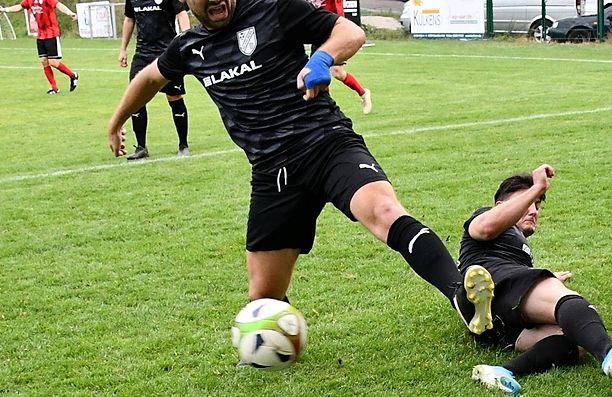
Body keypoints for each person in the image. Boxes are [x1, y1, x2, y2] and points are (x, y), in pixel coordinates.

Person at [107, 0, 470, 341]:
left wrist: (322, 59)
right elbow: (149, 79)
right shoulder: (188, 47)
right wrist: (117, 121)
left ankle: (463, 297)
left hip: (326, 145)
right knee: (263, 299)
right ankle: (272, 347)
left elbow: (350, 32)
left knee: (384, 211)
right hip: (273, 174)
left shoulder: (273, 8)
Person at [456, 164, 612, 396]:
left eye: (537, 205)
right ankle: (609, 351)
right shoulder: (484, 215)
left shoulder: (517, 246)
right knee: (569, 300)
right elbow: (484, 228)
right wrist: (537, 187)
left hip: (501, 326)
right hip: (490, 281)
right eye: (526, 201)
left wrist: (545, 278)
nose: (533, 210)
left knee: (578, 340)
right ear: (501, 205)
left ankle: (501, 370)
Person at [118, 0, 192, 159]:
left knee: (174, 97)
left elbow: (181, 13)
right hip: (142, 54)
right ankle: (141, 147)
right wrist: (123, 49)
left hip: (167, 53)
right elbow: (129, 19)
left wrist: (186, 41)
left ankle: (183, 145)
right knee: (136, 99)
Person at [1, 0, 78, 94]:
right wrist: (5, 10)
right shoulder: (30, 1)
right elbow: (19, 6)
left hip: (52, 34)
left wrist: (70, 13)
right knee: (44, 61)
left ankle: (73, 75)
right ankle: (54, 88)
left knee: (53, 62)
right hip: (41, 35)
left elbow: (59, 5)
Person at [310, 0, 372, 114]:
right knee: (318, 74)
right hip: (318, 35)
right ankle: (323, 108)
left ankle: (363, 93)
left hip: (333, 35)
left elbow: (338, 12)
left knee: (337, 72)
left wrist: (341, 33)